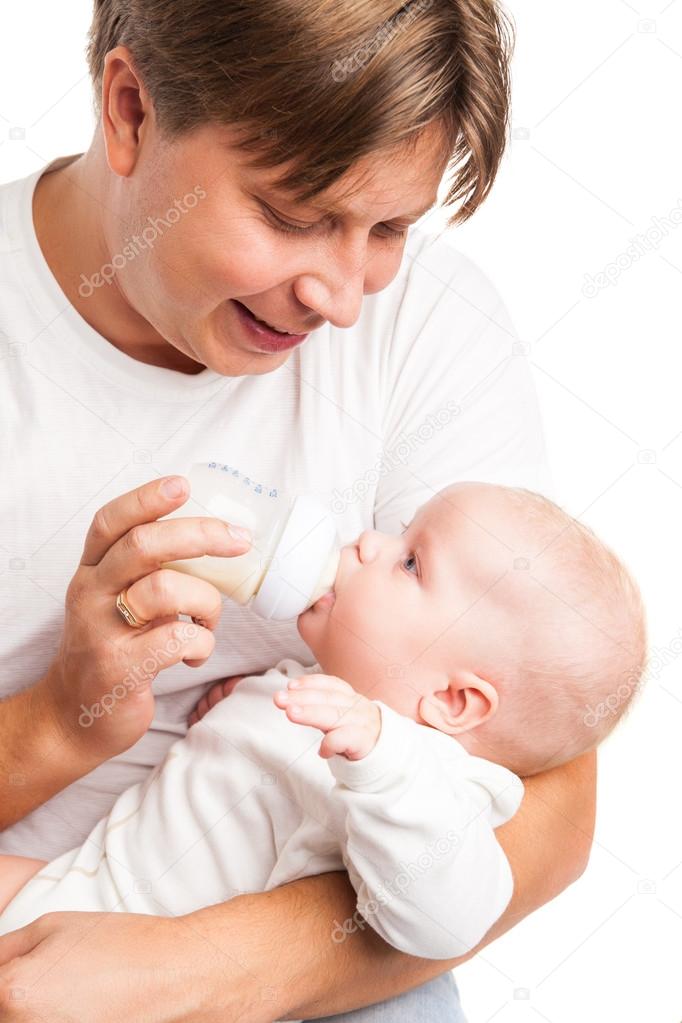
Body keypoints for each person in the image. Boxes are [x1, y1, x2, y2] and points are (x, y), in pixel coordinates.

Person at [0, 2, 597, 1020]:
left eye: (391, 228)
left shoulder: (425, 328)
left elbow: (548, 799)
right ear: (131, 109)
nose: (342, 298)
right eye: (291, 213)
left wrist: (207, 971)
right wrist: (64, 718)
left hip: (302, 939)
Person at [0, 483, 646, 986]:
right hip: (86, 878)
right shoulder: (326, 685)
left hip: (152, 965)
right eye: (398, 534)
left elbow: (449, 921)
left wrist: (386, 764)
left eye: (412, 562)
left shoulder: (434, 780)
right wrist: (239, 704)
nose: (368, 542)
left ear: (454, 701)